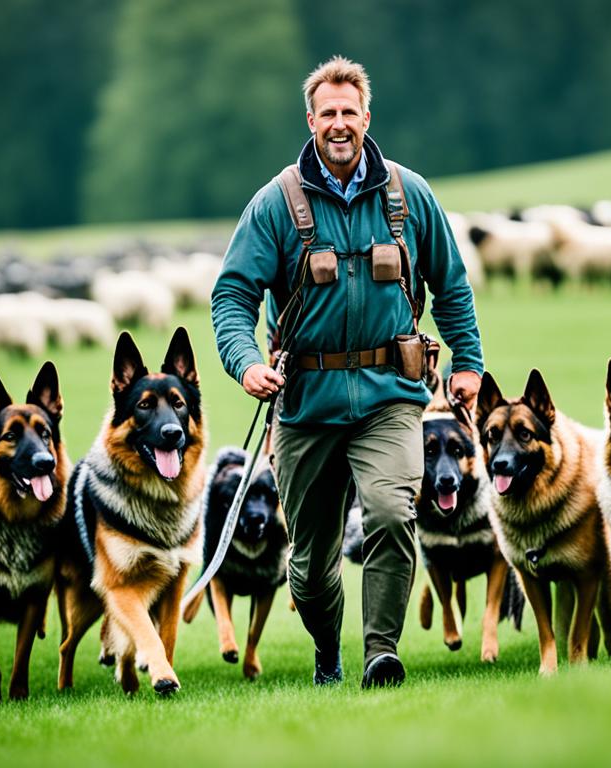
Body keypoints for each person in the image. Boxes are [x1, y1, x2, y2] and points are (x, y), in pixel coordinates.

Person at [211, 56, 483, 688]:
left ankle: (380, 654)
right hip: (305, 401)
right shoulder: (275, 204)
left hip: (392, 392)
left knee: (391, 512)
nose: (339, 124)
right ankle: (328, 650)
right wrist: (246, 363)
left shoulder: (408, 195)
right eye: (327, 113)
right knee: (307, 564)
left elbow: (452, 285)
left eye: (349, 112)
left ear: (368, 116)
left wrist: (468, 363)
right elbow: (231, 298)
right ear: (311, 121)